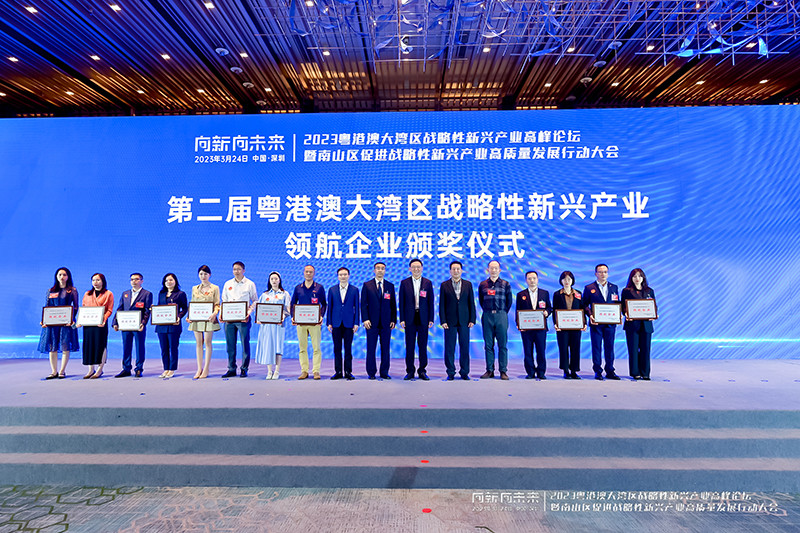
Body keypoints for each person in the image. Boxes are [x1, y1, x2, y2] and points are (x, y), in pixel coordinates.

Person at [39, 267, 79, 379]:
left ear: (68, 277)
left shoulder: (72, 290)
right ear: (56, 276)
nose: (62, 277)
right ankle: (53, 371)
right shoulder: (50, 290)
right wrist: (44, 320)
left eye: (64, 275)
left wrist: (71, 319)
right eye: (60, 274)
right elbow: (47, 306)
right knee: (52, 346)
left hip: (66, 323)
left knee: (65, 346)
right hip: (52, 323)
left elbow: (76, 307)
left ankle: (62, 371)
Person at [439, 260, 476, 381]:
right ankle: (450, 372)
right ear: (450, 271)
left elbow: (471, 302)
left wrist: (472, 319)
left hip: (465, 320)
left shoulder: (468, 284)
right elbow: (442, 304)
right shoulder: (444, 285)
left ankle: (464, 372)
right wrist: (443, 320)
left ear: (461, 271)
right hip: (450, 321)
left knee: (464, 347)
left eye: (458, 269)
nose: (456, 271)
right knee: (449, 348)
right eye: (453, 269)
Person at [220, 261, 258, 378]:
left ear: (243, 270)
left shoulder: (249, 284)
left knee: (244, 344)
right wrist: (222, 314)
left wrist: (248, 313)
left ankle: (244, 368)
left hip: (243, 319)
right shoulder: (228, 284)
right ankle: (231, 368)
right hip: (229, 319)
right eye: (234, 269)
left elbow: (255, 301)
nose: (236, 271)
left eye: (239, 269)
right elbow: (224, 301)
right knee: (230, 345)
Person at [583, 263, 621, 380]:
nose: (603, 274)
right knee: (596, 347)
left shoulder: (614, 287)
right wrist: (590, 315)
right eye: (600, 272)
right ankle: (597, 371)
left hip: (610, 323)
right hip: (596, 323)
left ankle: (610, 370)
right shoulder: (589, 288)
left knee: (610, 347)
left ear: (608, 274)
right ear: (596, 274)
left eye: (605, 272)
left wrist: (618, 315)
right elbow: (584, 304)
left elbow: (616, 303)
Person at [398, 258, 434, 381]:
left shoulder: (427, 283)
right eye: (414, 267)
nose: (416, 269)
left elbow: (431, 302)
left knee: (423, 346)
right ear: (410, 269)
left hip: (423, 318)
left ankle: (422, 371)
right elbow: (401, 302)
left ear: (422, 268)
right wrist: (402, 319)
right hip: (409, 318)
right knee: (410, 346)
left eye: (418, 267)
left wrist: (431, 318)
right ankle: (410, 371)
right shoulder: (404, 283)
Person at [360, 261, 397, 380]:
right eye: (378, 268)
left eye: (382, 268)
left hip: (386, 322)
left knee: (385, 348)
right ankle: (371, 372)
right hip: (371, 323)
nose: (380, 270)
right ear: (374, 270)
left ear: (385, 271)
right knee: (371, 348)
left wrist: (393, 319)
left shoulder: (390, 286)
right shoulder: (367, 285)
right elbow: (363, 304)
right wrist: (365, 319)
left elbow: (393, 304)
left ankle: (384, 372)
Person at [113, 272, 152, 378]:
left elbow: (147, 311)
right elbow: (120, 308)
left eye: (136, 279)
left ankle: (139, 368)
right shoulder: (125, 293)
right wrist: (115, 322)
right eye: (132, 279)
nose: (134, 281)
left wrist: (143, 323)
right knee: (126, 347)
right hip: (125, 325)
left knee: (139, 347)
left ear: (141, 281)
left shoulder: (147, 294)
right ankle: (126, 369)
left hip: (138, 326)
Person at [478, 260, 512, 380]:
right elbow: (481, 300)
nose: (493, 270)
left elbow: (509, 301)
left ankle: (503, 371)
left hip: (501, 315)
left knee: (502, 345)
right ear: (488, 270)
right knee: (488, 345)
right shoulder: (483, 284)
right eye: (491, 268)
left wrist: (502, 312)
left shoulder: (505, 284)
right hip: (487, 315)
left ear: (499, 270)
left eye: (496, 268)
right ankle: (490, 370)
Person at [291, 264, 327, 380]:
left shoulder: (319, 288)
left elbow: (324, 304)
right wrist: (293, 316)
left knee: (316, 348)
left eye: (310, 272)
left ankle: (316, 371)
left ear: (314, 273)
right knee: (302, 348)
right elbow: (293, 303)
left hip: (315, 323)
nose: (308, 274)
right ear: (303, 273)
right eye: (306, 271)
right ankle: (304, 371)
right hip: (301, 323)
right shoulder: (298, 288)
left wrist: (321, 316)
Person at [254, 271, 291, 380]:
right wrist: (259, 318)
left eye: (276, 279)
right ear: (269, 281)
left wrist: (283, 316)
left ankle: (277, 371)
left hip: (279, 326)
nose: (274, 281)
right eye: (272, 279)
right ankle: (269, 371)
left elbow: (288, 310)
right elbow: (259, 309)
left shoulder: (284, 294)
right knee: (268, 347)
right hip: (266, 326)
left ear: (279, 280)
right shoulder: (264, 295)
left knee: (278, 347)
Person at [515, 270, 552, 380]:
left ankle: (541, 372)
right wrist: (518, 324)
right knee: (528, 351)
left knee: (541, 350)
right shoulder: (521, 294)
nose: (532, 281)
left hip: (540, 328)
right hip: (526, 328)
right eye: (529, 279)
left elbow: (549, 307)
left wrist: (547, 312)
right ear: (526, 280)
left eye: (534, 278)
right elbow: (518, 310)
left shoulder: (544, 293)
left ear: (537, 279)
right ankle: (530, 372)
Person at [621, 268, 656, 380]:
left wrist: (654, 314)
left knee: (646, 349)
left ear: (643, 278)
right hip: (632, 325)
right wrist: (626, 313)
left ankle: (645, 373)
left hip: (646, 325)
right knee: (633, 349)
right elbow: (622, 307)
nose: (637, 278)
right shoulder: (626, 291)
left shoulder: (649, 291)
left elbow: (654, 306)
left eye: (640, 276)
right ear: (631, 278)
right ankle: (635, 372)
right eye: (635, 276)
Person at [187, 265, 220, 379]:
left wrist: (215, 313)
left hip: (209, 318)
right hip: (197, 318)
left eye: (205, 274)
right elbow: (192, 303)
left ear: (209, 275)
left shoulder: (215, 288)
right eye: (201, 274)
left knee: (207, 342)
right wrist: (189, 316)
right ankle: (199, 369)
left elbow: (217, 304)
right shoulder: (194, 288)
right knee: (198, 343)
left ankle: (206, 368)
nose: (203, 276)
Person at [327, 267, 360, 381]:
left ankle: (348, 371)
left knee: (348, 348)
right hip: (336, 323)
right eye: (341, 275)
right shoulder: (332, 289)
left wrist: (356, 322)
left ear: (348, 276)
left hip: (349, 323)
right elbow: (330, 307)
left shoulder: (354, 290)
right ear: (338, 276)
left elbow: (357, 307)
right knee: (337, 348)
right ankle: (338, 371)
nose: (343, 276)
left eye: (345, 274)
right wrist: (329, 322)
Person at [79, 273, 114, 379]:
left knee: (101, 345)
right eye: (93, 280)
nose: (95, 282)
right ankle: (91, 369)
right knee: (89, 346)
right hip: (88, 324)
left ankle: (100, 369)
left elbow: (109, 310)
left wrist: (104, 320)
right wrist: (80, 321)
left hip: (101, 324)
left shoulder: (108, 294)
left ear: (103, 281)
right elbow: (83, 308)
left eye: (98, 280)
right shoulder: (87, 294)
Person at [552, 270, 585, 379]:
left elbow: (582, 309)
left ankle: (574, 371)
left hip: (576, 326)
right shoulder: (557, 294)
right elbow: (554, 310)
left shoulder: (578, 294)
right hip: (562, 327)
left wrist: (584, 323)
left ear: (572, 280)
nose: (567, 281)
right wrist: (556, 323)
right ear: (561, 280)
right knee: (563, 348)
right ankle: (566, 370)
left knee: (575, 348)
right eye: (564, 279)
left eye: (569, 279)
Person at [155, 273, 188, 379]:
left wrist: (179, 316)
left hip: (174, 325)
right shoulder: (161, 293)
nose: (168, 282)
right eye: (166, 280)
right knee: (164, 349)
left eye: (171, 280)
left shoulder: (180, 294)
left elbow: (185, 308)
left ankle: (172, 369)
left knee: (173, 348)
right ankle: (166, 368)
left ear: (175, 281)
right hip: (161, 326)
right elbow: (159, 307)